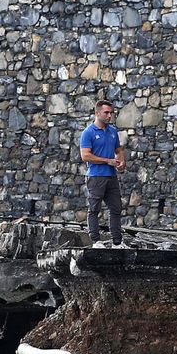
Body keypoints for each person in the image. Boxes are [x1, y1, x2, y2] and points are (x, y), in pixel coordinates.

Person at [79, 99, 126, 246]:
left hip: (111, 176)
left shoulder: (112, 131)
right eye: (106, 112)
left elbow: (118, 150)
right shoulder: (88, 133)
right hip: (96, 176)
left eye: (111, 113)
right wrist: (107, 161)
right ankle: (96, 241)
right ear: (97, 113)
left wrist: (121, 162)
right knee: (94, 209)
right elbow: (85, 155)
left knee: (116, 209)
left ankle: (117, 243)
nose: (109, 116)